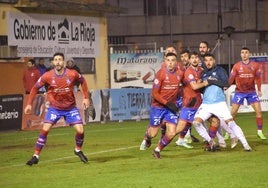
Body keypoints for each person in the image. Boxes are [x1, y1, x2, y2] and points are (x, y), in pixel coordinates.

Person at [25, 52, 90, 166]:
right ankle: (35, 156)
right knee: (45, 129)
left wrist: (86, 98)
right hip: (55, 108)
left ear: (63, 62)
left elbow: (83, 81)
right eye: (56, 60)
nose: (58, 62)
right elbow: (35, 88)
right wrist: (29, 104)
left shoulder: (72, 74)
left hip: (70, 108)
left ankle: (78, 150)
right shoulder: (47, 75)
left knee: (80, 131)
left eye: (60, 59)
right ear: (53, 62)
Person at [192, 53, 252, 151]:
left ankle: (246, 145)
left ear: (214, 60)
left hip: (219, 103)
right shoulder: (203, 74)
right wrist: (201, 85)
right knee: (196, 122)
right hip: (206, 104)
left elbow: (226, 83)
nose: (208, 62)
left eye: (210, 60)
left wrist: (212, 81)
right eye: (206, 60)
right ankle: (211, 141)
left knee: (231, 123)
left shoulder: (220, 70)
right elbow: (202, 90)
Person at [139, 52, 183, 159]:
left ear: (176, 62)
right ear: (165, 62)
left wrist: (181, 101)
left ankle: (157, 149)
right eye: (168, 60)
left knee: (172, 132)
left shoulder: (180, 73)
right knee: (153, 134)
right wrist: (167, 103)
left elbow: (183, 87)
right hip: (158, 107)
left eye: (172, 60)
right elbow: (154, 93)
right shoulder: (161, 74)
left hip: (171, 108)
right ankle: (147, 136)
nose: (170, 63)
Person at [228, 47, 266, 140]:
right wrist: (227, 86)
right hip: (239, 92)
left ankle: (260, 132)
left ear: (249, 54)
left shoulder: (255, 65)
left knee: (259, 111)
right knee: (232, 113)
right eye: (242, 52)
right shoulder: (236, 66)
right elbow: (231, 78)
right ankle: (228, 132)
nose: (244, 54)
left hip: (251, 92)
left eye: (246, 52)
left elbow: (258, 79)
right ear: (240, 54)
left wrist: (259, 89)